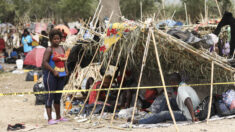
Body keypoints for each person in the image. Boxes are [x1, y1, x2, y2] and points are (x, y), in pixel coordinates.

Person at [129, 73, 200, 124]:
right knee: (169, 100)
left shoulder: (181, 88)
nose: (170, 83)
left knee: (164, 114)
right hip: (194, 110)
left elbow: (187, 100)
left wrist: (193, 117)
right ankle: (155, 115)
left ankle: (140, 121)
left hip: (188, 114)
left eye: (171, 82)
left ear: (174, 81)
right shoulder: (185, 85)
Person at [42, 29, 68, 125]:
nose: (56, 40)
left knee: (58, 96)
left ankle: (58, 117)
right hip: (50, 76)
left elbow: (64, 61)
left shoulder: (62, 48)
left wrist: (66, 69)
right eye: (54, 39)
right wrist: (53, 71)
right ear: (51, 39)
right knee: (50, 96)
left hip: (61, 75)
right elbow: (44, 62)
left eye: (58, 39)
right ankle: (50, 119)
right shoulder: (49, 49)